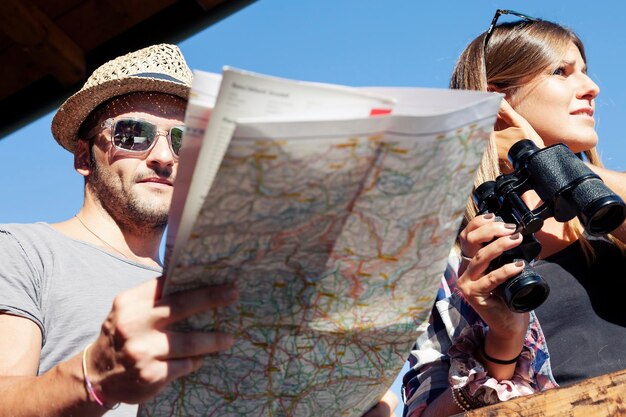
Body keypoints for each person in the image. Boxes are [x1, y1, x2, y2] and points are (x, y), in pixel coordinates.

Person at [400, 11, 626, 417]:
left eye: (586, 72)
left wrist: (549, 163)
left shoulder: (611, 213)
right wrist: (502, 342)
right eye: (562, 71)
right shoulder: (450, 259)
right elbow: (426, 411)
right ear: (499, 102)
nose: (591, 88)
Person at [0, 44, 240, 416]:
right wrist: (94, 374)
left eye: (184, 140)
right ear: (84, 157)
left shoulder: (207, 289)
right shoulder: (22, 252)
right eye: (132, 134)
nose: (163, 157)